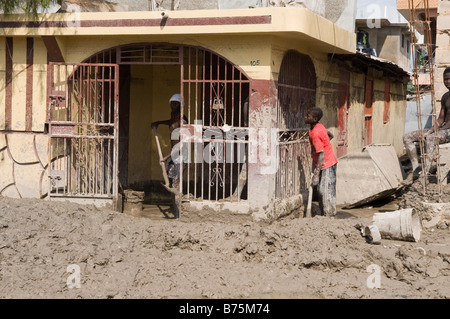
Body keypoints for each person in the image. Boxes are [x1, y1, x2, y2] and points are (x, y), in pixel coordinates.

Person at [403, 67, 450, 177]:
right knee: (407, 137)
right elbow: (440, 119)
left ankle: (425, 172)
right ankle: (416, 168)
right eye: (445, 79)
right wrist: (430, 131)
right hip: (444, 129)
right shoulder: (445, 97)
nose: (447, 82)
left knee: (431, 138)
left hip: (448, 130)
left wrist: (433, 133)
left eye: (449, 79)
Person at [151, 94, 187, 216]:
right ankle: (175, 206)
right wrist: (159, 123)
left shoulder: (182, 120)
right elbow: (171, 123)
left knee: (176, 181)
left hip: (180, 152)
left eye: (176, 103)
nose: (173, 105)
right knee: (171, 178)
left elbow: (182, 143)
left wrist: (166, 157)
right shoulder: (174, 116)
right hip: (173, 152)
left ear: (181, 105)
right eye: (171, 103)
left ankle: (178, 212)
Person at [305, 107, 338, 217]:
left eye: (308, 115)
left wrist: (316, 174)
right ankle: (324, 214)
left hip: (327, 163)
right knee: (321, 190)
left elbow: (322, 154)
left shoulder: (316, 132)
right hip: (324, 162)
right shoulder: (317, 126)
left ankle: (329, 216)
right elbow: (330, 135)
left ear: (314, 119)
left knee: (326, 192)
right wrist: (325, 144)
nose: (305, 117)